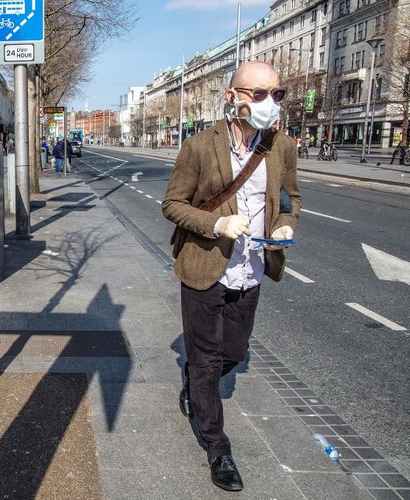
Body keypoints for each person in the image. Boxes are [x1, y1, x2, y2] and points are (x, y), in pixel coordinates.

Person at [161, 61, 301, 493]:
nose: (269, 103)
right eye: (258, 95)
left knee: (234, 353)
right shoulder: (201, 146)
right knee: (205, 360)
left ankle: (194, 382)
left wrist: (286, 224)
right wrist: (216, 225)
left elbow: (289, 196)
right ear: (234, 97)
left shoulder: (281, 148)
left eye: (275, 94)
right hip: (204, 264)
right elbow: (172, 204)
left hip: (252, 269)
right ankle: (218, 448)